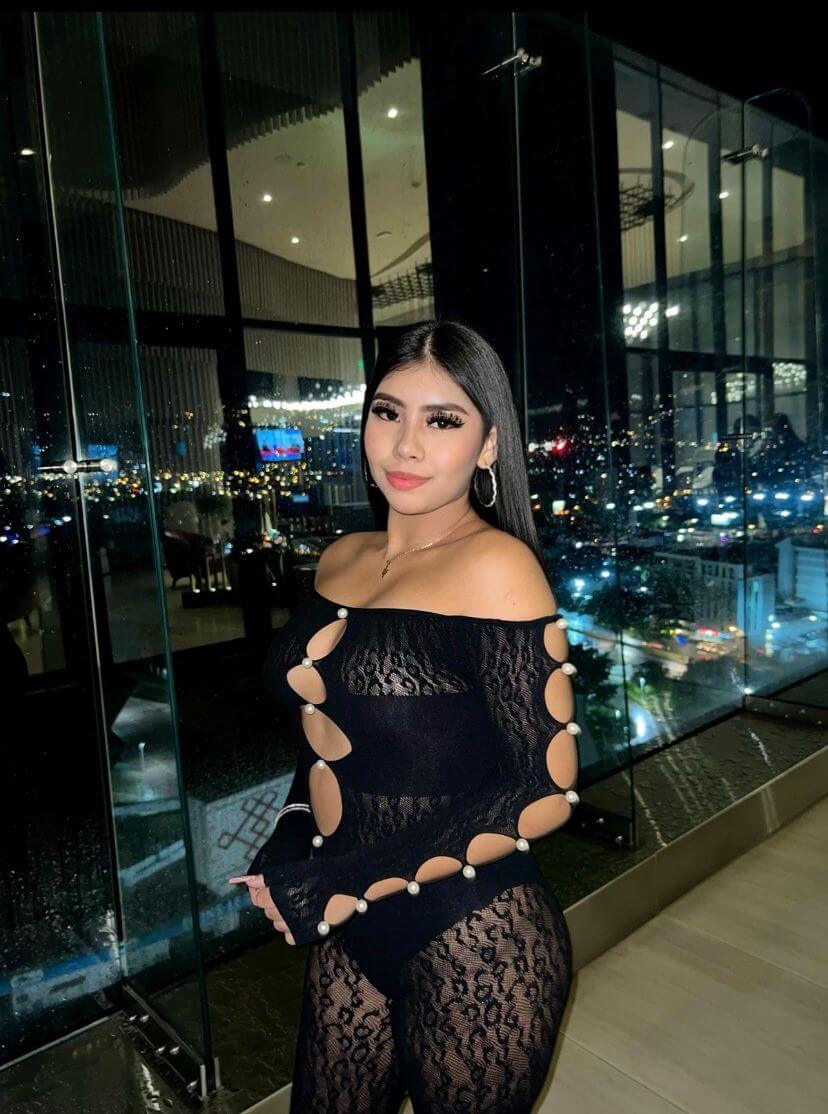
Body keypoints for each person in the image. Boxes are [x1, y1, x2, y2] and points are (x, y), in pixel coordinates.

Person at [230, 320, 579, 1112]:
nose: (406, 444)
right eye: (387, 412)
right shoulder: (343, 556)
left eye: (443, 420)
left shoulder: (497, 568)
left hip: (472, 936)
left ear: (489, 446)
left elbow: (543, 788)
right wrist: (291, 837)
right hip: (354, 925)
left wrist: (338, 883)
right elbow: (322, 733)